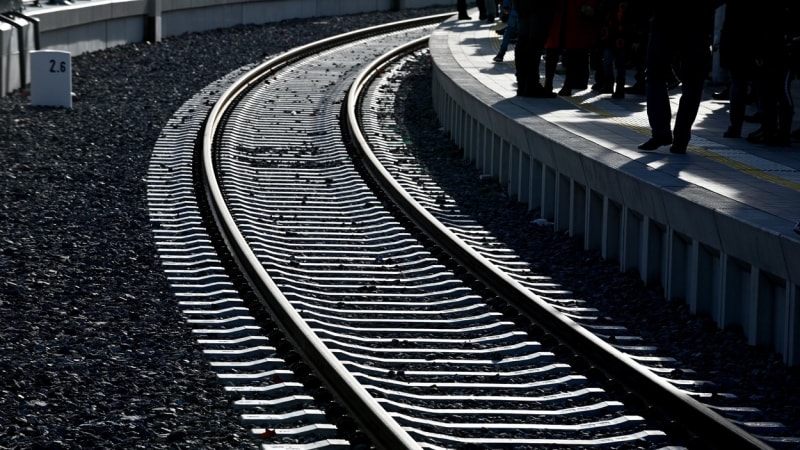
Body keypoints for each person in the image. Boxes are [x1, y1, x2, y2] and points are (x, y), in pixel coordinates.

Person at [637, 0, 723, 154]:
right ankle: (680, 139)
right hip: (696, 24)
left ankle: (661, 132)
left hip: (665, 21)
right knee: (692, 85)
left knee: (655, 76)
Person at [543, 0, 597, 97]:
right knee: (568, 52)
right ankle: (560, 85)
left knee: (564, 52)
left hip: (569, 16)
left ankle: (555, 85)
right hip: (568, 16)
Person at [513, 0, 558, 97]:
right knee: (534, 45)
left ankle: (523, 84)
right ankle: (531, 85)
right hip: (541, 7)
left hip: (523, 6)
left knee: (523, 42)